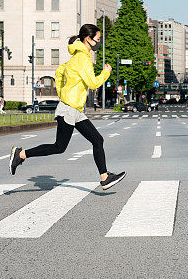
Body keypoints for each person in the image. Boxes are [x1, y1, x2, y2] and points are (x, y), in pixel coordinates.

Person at [9, 24, 125, 190]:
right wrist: (106, 72)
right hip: (69, 109)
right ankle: (20, 154)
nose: (99, 43)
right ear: (88, 39)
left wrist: (64, 92)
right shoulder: (82, 59)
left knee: (97, 140)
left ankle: (105, 177)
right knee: (59, 147)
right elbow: (93, 83)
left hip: (74, 109)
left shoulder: (76, 57)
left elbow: (59, 72)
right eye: (98, 40)